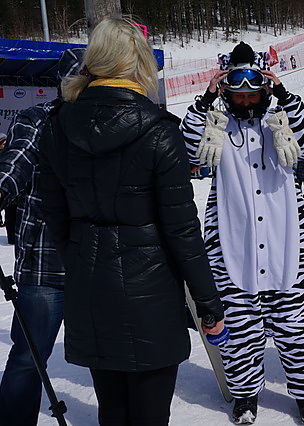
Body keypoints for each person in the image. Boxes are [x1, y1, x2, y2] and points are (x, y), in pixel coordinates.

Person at [38, 18, 226, 426]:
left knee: (114, 411)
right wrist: (209, 303)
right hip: (150, 291)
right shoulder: (158, 130)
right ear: (138, 62)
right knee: (150, 413)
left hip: (90, 285)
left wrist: (81, 259)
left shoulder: (57, 124)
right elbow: (182, 230)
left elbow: (53, 214)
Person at [179, 41, 304, 425]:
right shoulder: (217, 128)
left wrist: (286, 97)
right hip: (233, 245)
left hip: (285, 243)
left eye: (253, 94)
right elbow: (186, 148)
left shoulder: (282, 122)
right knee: (241, 332)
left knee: (298, 327)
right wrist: (205, 98)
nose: (246, 101)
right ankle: (244, 395)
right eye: (237, 94)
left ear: (264, 90)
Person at [0, 48, 83, 426]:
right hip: (43, 268)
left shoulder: (111, 124)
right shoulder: (38, 120)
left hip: (97, 267)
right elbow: (16, 162)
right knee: (28, 358)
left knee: (109, 361)